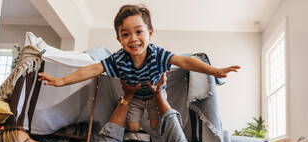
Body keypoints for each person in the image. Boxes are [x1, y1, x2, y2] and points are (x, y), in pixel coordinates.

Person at [38, 4, 240, 132]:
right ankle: (138, 141)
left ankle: (154, 134)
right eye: (125, 34)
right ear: (118, 39)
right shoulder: (119, 59)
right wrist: (62, 81)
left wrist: (214, 71)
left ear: (150, 33)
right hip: (133, 97)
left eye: (138, 32)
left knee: (154, 127)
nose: (133, 39)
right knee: (133, 128)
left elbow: (185, 62)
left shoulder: (157, 54)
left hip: (155, 95)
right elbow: (93, 69)